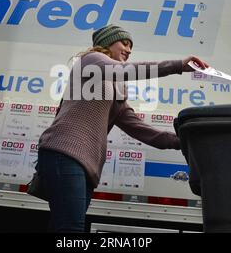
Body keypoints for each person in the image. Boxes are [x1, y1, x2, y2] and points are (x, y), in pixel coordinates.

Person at [37, 24, 209, 232]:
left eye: (131, 47)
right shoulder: (91, 60)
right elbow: (123, 70)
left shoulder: (116, 86)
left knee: (64, 226)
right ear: (107, 42)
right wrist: (178, 65)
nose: (129, 50)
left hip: (85, 165)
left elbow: (138, 128)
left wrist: (183, 141)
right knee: (71, 228)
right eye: (124, 43)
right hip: (64, 153)